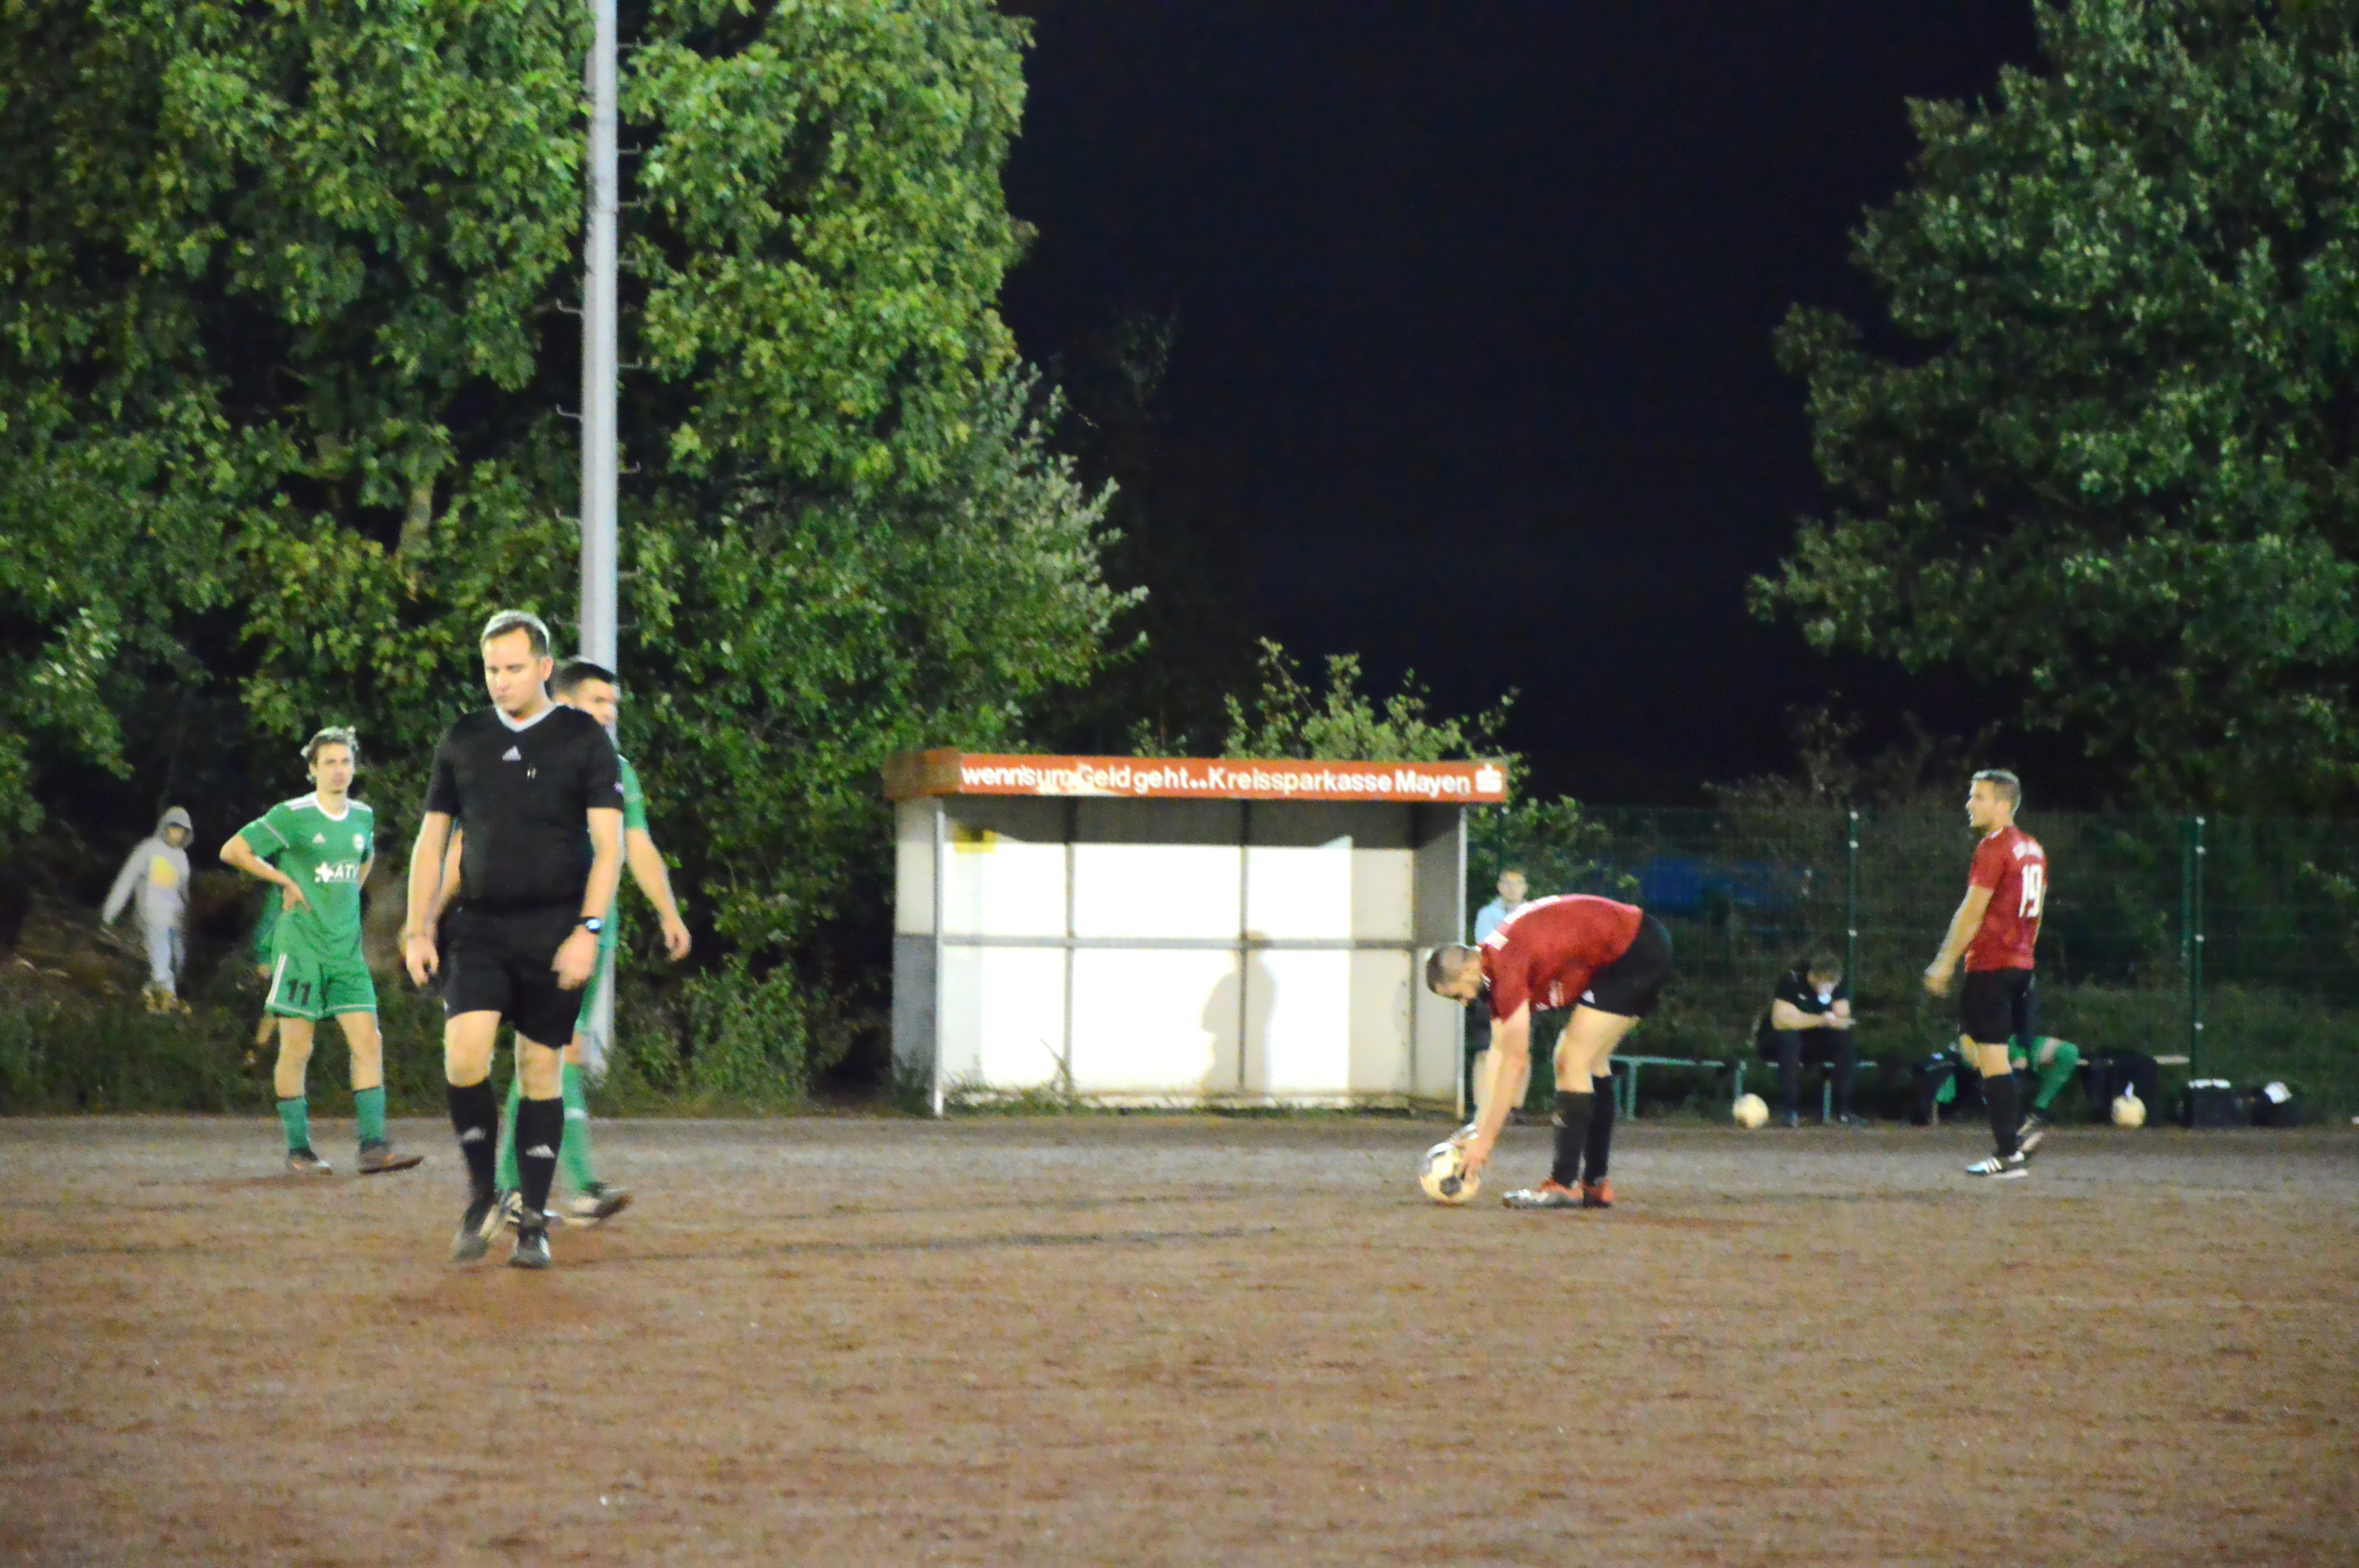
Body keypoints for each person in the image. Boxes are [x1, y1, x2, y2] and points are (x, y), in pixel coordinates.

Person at [403, 610, 624, 1269]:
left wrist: (587, 931)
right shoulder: (464, 738)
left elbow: (609, 848)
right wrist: (418, 925)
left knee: (539, 1070)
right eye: (491, 669)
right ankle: (483, 1195)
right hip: (480, 928)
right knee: (463, 1055)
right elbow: (432, 841)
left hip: (555, 929)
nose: (500, 681)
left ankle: (533, 1220)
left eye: (514, 668)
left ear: (544, 668)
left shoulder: (583, 738)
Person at [477, 659, 692, 1227]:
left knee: (554, 1053)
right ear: (566, 703)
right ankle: (562, 1187)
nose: (610, 713)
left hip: (594, 931)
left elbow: (637, 845)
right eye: (600, 701)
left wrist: (668, 911)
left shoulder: (617, 769)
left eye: (614, 705)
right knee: (549, 1050)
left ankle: (520, 1190)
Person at [222, 728, 425, 1176]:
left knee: (369, 1041)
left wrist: (345, 898)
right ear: (312, 769)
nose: (339, 770)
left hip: (345, 952)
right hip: (301, 948)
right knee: (297, 1047)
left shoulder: (363, 816)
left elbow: (364, 860)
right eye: (329, 762)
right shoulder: (292, 815)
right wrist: (284, 881)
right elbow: (233, 850)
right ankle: (299, 1149)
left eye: (345, 761)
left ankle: (373, 1147)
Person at [1426, 893, 1674, 1209]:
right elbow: (1499, 1052)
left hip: (1634, 951)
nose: (1463, 1002)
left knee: (1569, 1060)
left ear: (1465, 972)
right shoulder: (1494, 961)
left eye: (1456, 995)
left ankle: (1563, 1184)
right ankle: (1595, 1184)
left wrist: (1485, 1143)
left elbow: (1515, 1060)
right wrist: (1479, 1125)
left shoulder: (1504, 967)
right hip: (1641, 942)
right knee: (1591, 1062)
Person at [1922, 769, 2047, 1178]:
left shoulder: (1994, 847)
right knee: (1979, 1049)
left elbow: (1971, 911)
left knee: (1988, 1057)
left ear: (2003, 804)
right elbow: (2037, 914)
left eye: (1978, 797)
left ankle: (2009, 1151)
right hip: (2019, 965)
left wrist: (1944, 961)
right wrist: (2025, 957)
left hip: (1992, 966)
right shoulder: (2033, 848)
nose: (1969, 804)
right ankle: (2015, 1130)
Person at [103, 806, 195, 1012]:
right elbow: (126, 880)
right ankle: (164, 1006)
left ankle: (151, 995)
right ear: (165, 827)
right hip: (151, 914)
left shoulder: (181, 858)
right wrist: (110, 913)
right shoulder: (148, 850)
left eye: (182, 831)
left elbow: (183, 891)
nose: (177, 834)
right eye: (174, 828)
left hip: (174, 918)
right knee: (161, 958)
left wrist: (185, 917)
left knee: (176, 960)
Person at [1754, 953, 1859, 1127]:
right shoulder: (1792, 982)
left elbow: (1843, 1020)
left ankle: (1843, 1111)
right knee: (1789, 1040)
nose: (1829, 990)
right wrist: (1821, 1020)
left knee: (1845, 1043)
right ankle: (1790, 1111)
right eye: (1825, 984)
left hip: (1816, 1041)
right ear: (1812, 976)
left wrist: (1802, 1018)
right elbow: (1782, 1021)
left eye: (1832, 985)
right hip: (1781, 1042)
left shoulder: (1837, 985)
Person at [1464, 869, 1530, 1121]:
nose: (1512, 887)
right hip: (1491, 989)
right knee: (1484, 1048)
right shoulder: (1486, 914)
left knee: (1521, 1049)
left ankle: (1515, 1106)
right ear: (1499, 886)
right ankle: (1481, 1104)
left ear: (1525, 887)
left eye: (1517, 883)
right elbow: (1487, 947)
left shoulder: (1535, 913)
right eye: (1507, 883)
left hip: (1526, 988)